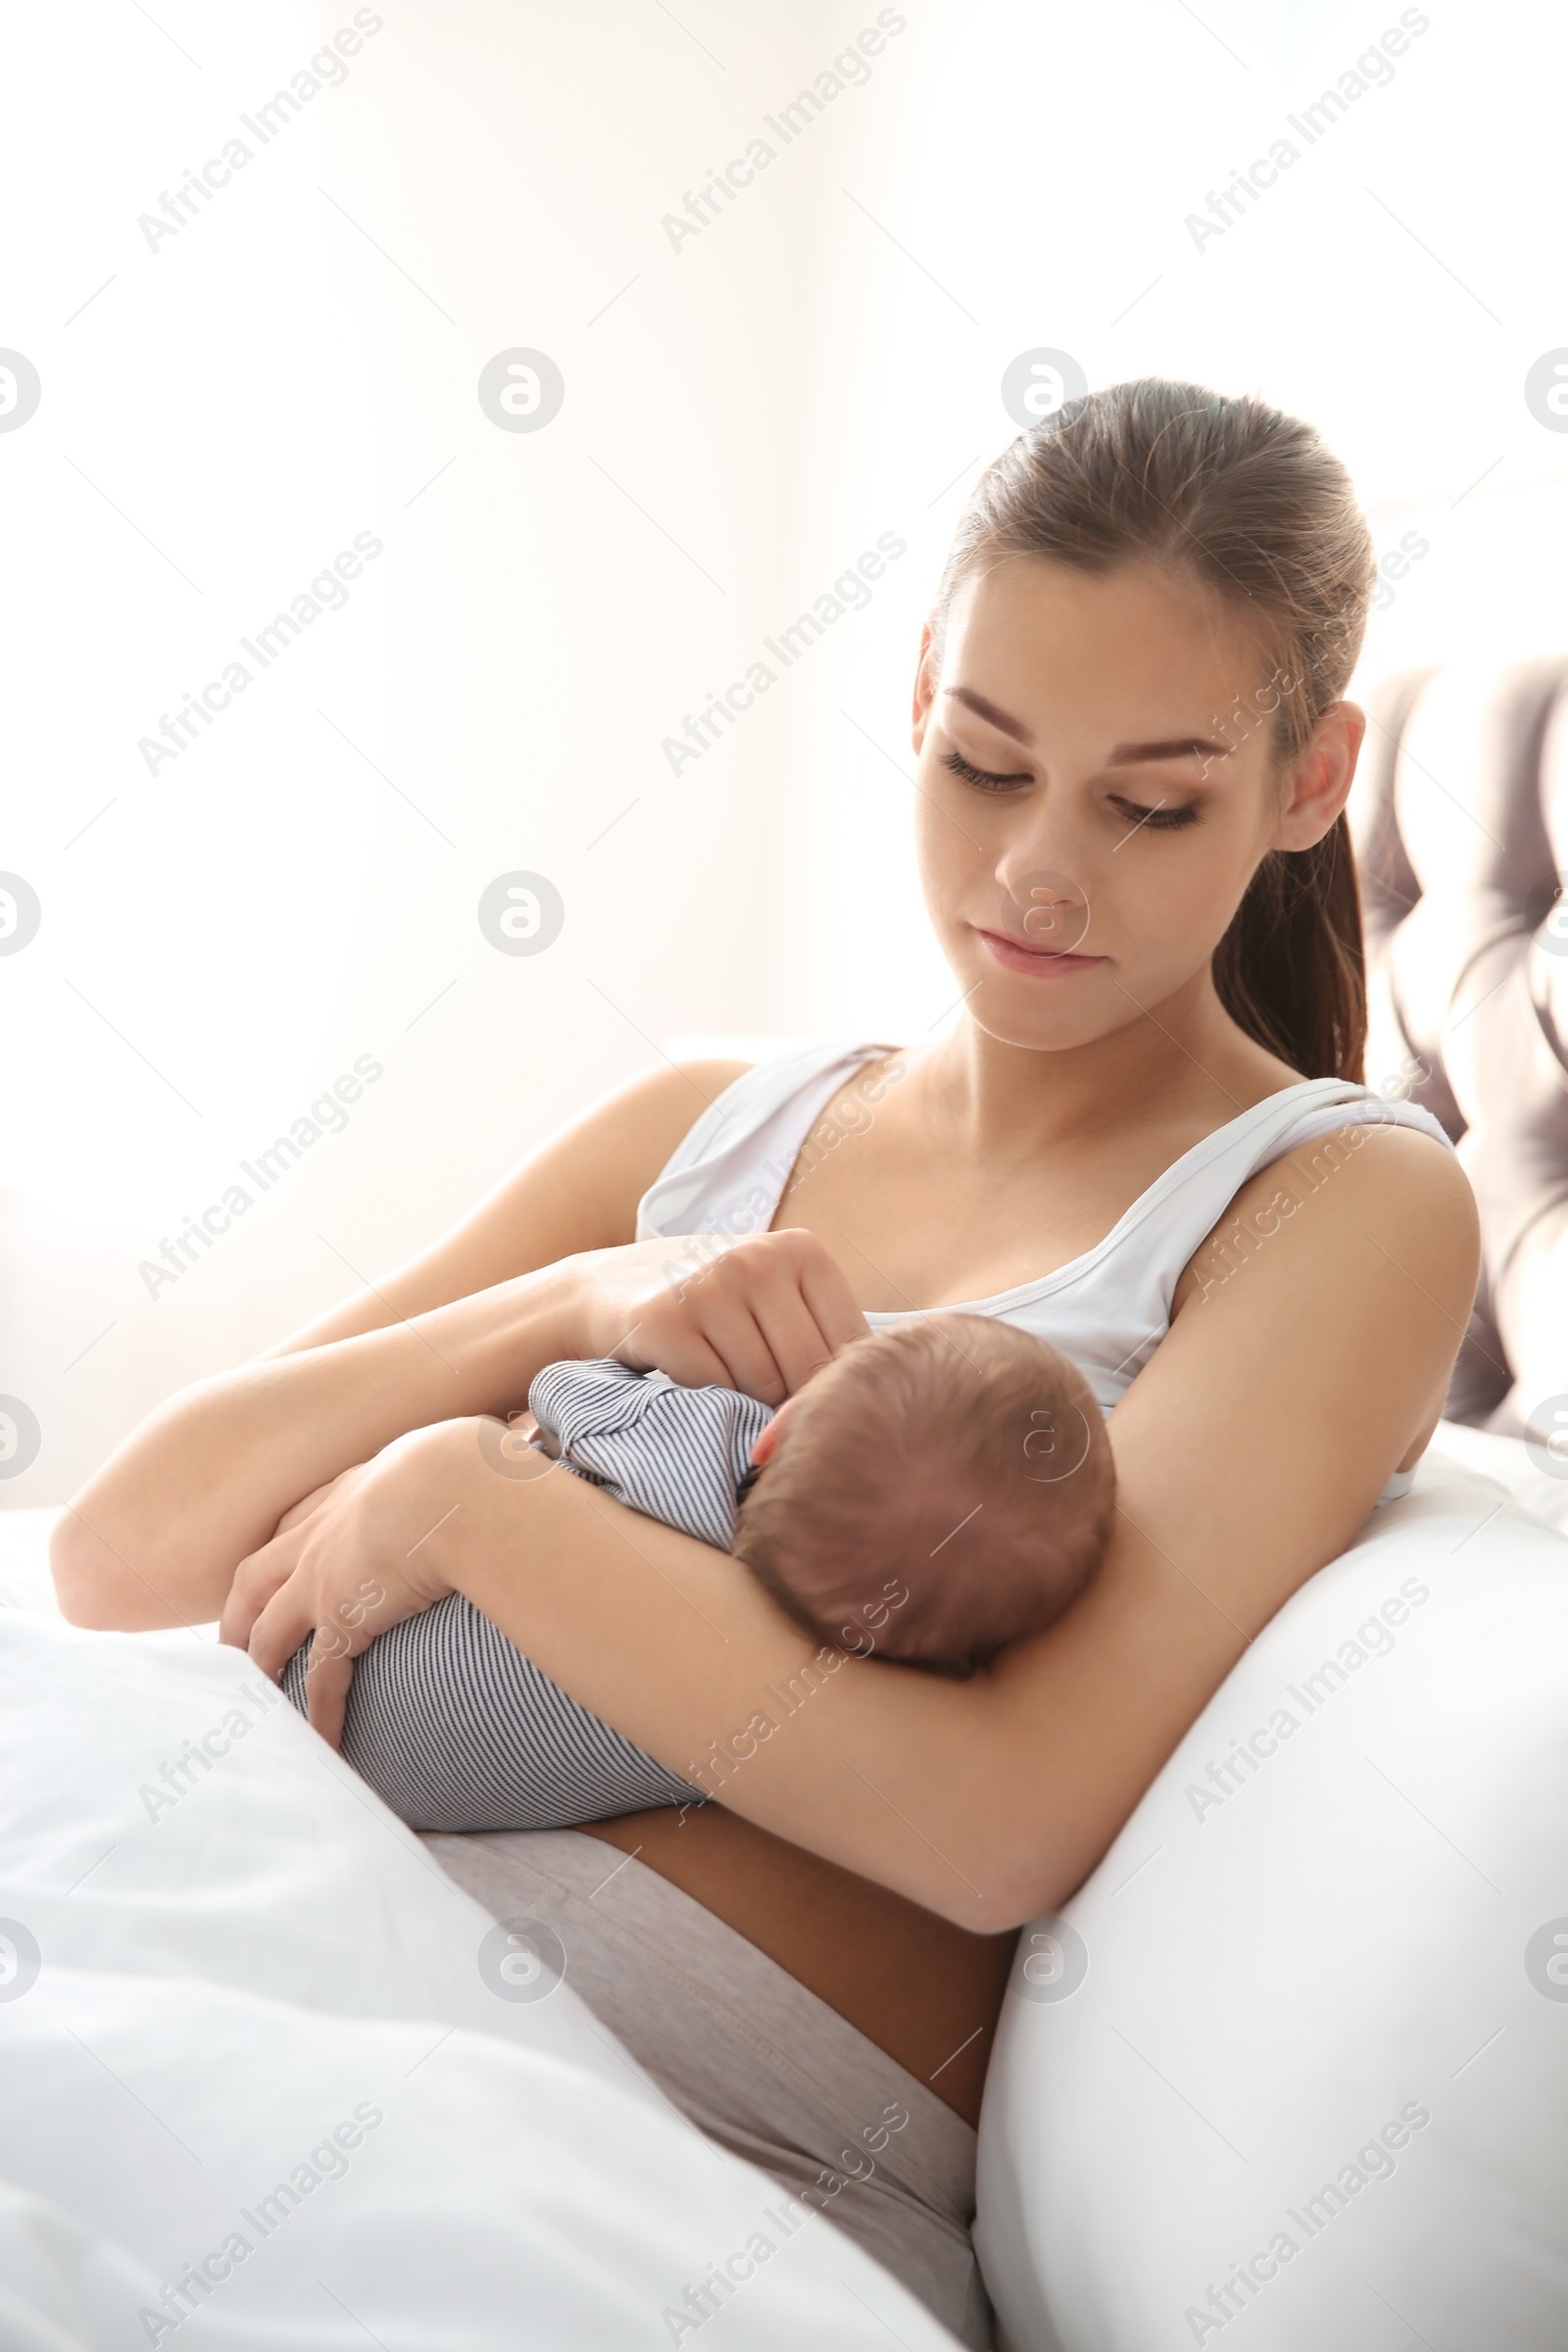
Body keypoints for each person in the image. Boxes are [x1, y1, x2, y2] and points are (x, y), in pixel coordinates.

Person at [51, 379, 1479, 2348]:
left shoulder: (1328, 1206)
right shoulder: (711, 1121)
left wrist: (465, 1501)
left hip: (680, 2116)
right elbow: (121, 1551)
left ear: (1307, 783)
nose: (1039, 871)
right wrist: (572, 1310)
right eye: (985, 763)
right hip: (317, 1900)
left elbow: (995, 1826)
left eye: (1149, 801)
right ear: (913, 694)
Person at [272, 1318, 1116, 1834]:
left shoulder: (694, 1433)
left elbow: (561, 1387)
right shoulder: (779, 1721)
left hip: (315, 1658)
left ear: (775, 1432)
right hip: (396, 1796)